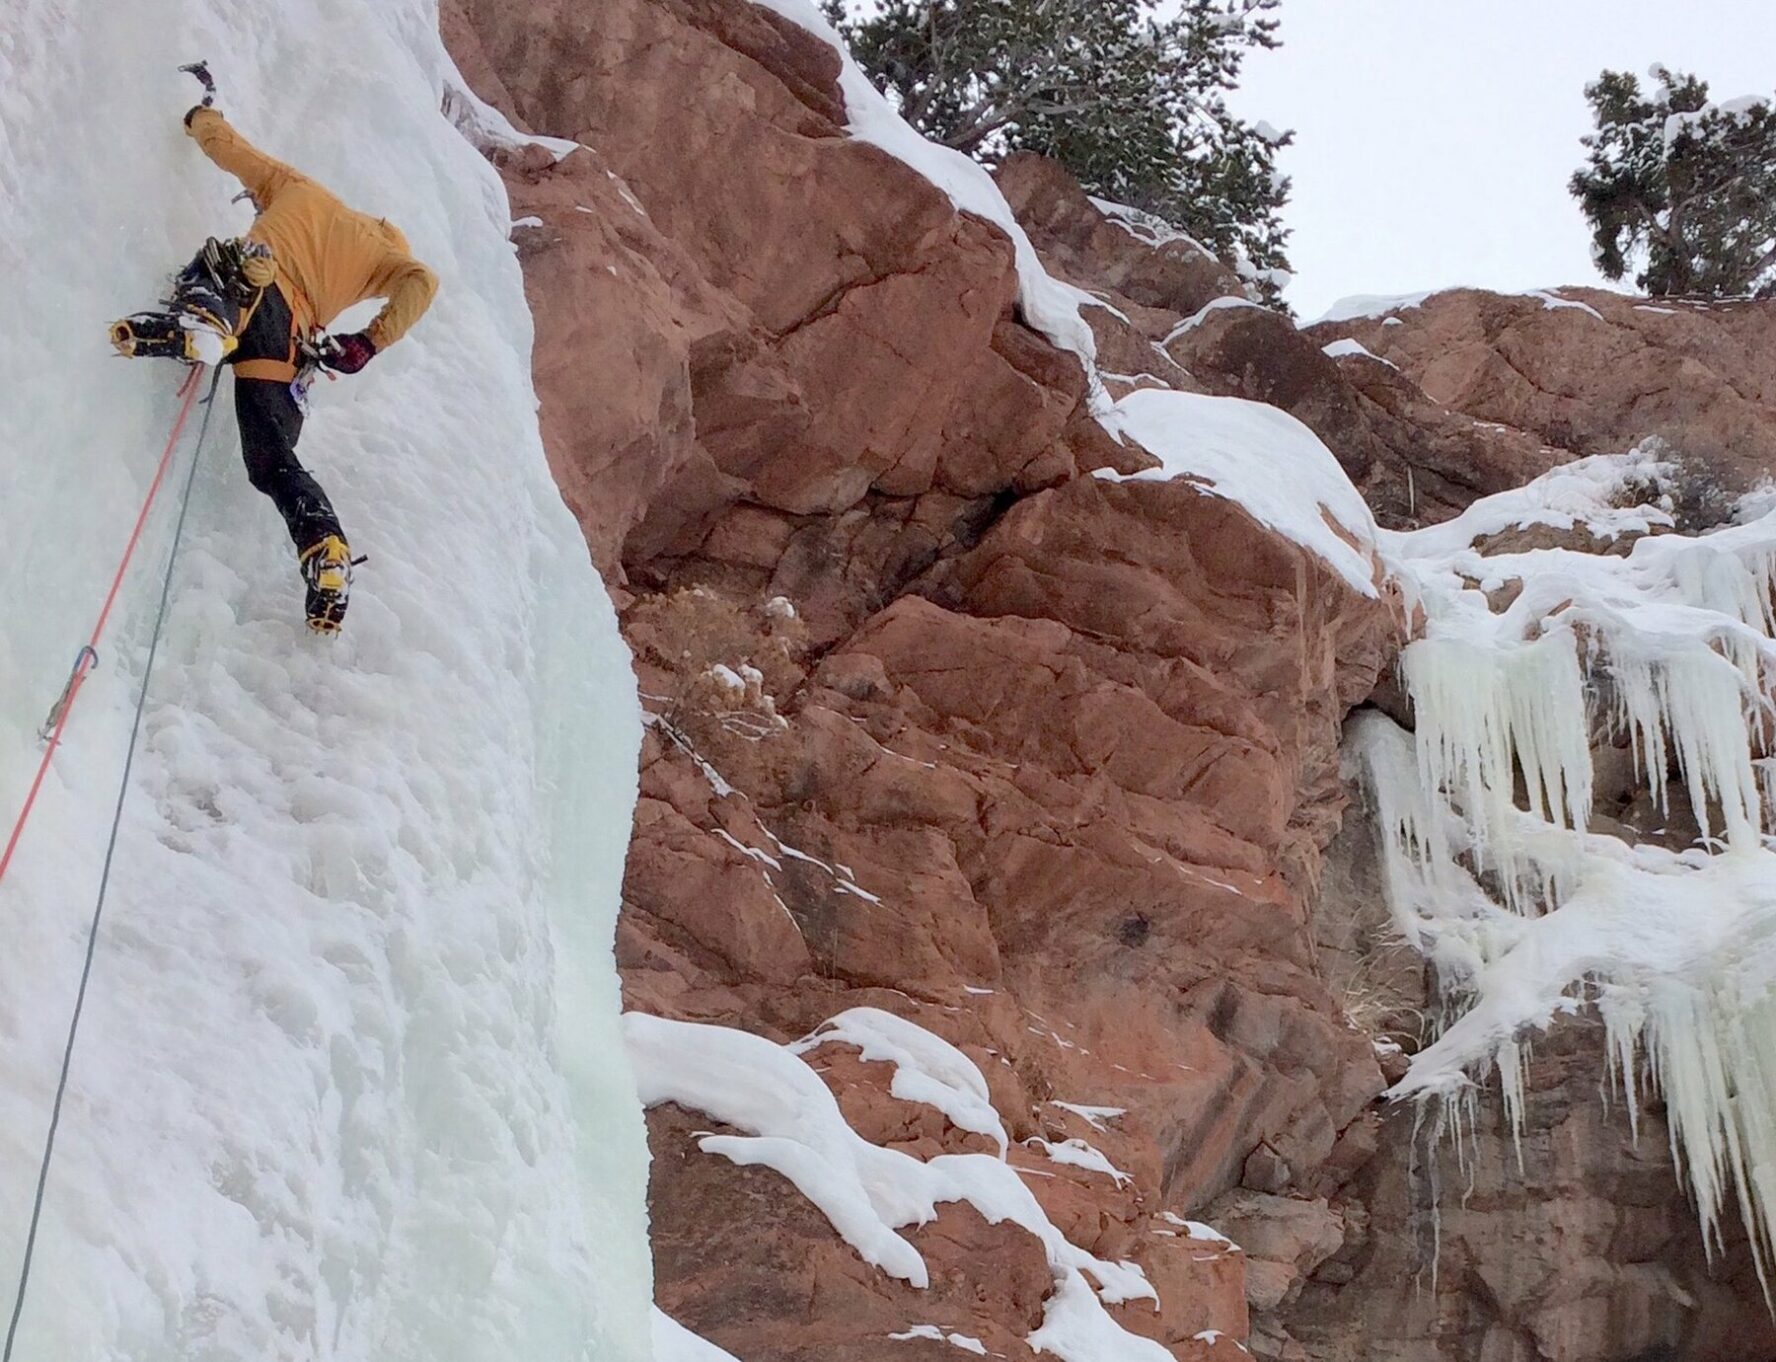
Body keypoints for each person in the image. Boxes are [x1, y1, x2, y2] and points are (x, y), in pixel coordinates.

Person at [111, 106, 438, 634]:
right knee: (273, 462)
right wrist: (367, 343)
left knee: (231, 268)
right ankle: (325, 549)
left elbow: (230, 148)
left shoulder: (297, 188)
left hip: (254, 285)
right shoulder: (385, 258)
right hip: (287, 340)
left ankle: (206, 322)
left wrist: (199, 118)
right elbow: (424, 282)